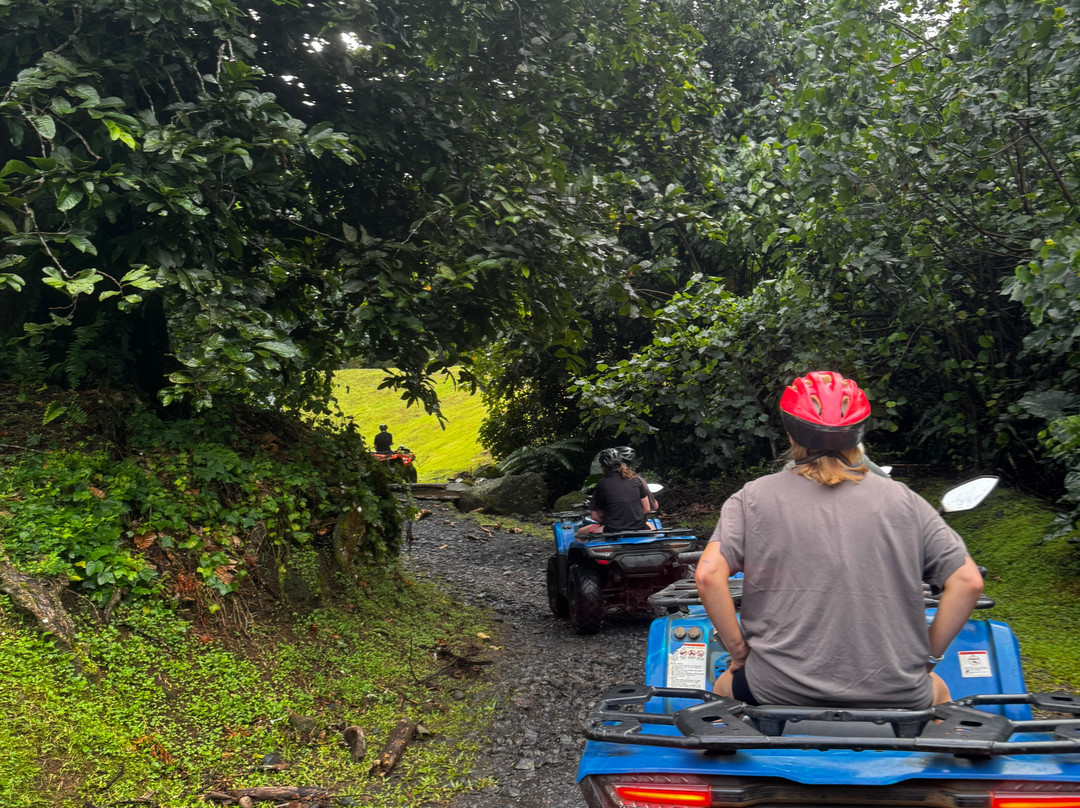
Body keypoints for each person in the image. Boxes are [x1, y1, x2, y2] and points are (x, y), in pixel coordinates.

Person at [694, 370, 984, 709]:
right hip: (897, 692)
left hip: (776, 688)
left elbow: (707, 575)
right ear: (859, 435)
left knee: (722, 689)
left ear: (790, 434)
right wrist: (929, 657)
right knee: (941, 695)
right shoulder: (906, 500)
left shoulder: (750, 498)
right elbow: (968, 581)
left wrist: (739, 653)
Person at [576, 447, 654, 537]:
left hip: (613, 530)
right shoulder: (635, 479)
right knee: (653, 528)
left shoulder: (602, 483)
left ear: (602, 466)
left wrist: (610, 522)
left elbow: (594, 516)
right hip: (639, 528)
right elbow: (646, 509)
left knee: (580, 533)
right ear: (621, 462)